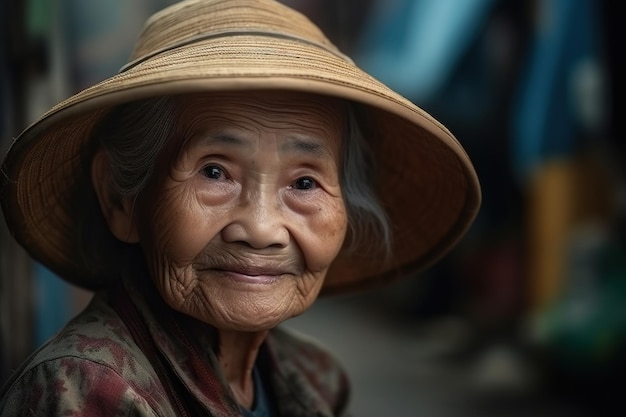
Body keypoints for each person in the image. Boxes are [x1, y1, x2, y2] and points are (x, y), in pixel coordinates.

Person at [0, 0, 480, 415]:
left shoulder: (314, 379)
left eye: (305, 182)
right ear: (121, 199)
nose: (261, 228)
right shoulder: (88, 391)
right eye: (214, 172)